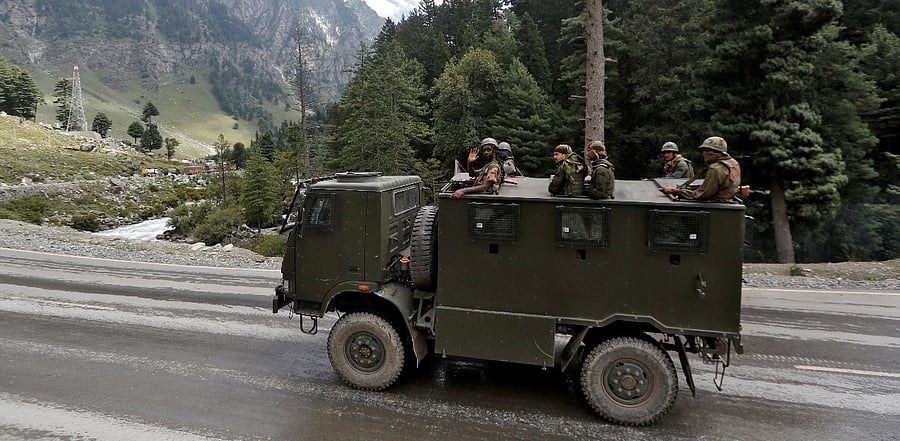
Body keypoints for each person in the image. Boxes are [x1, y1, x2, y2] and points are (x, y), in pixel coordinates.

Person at [660, 136, 741, 202]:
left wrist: (674, 191)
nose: (704, 154)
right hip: (726, 200)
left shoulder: (715, 169)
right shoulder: (733, 163)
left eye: (706, 150)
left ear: (715, 152)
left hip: (715, 205)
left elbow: (701, 195)